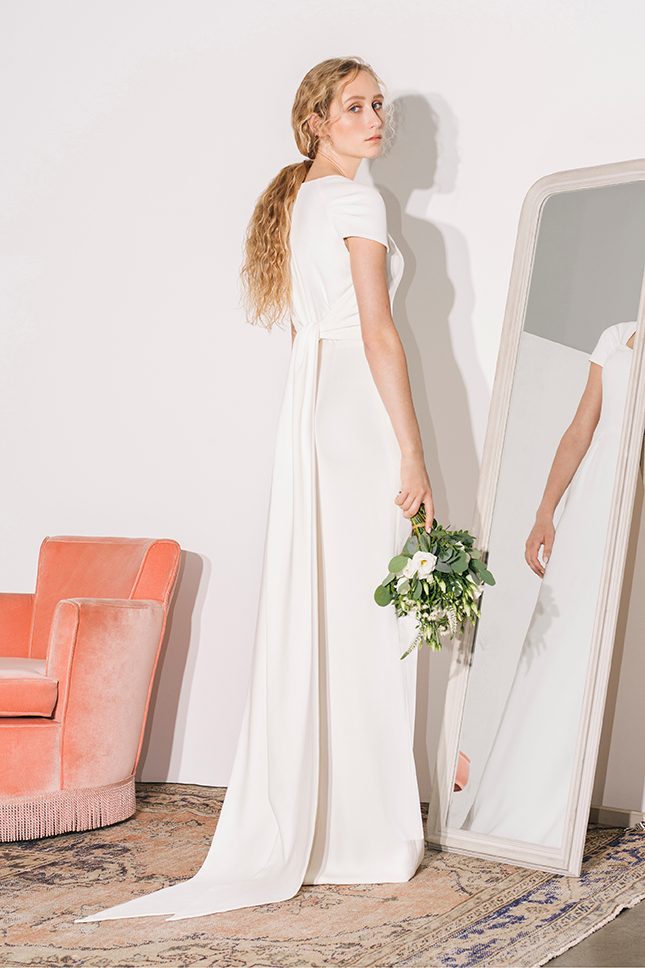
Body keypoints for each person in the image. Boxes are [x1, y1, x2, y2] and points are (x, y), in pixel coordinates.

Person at [76, 56, 435, 923]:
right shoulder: (354, 202)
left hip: (312, 411)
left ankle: (330, 821)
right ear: (316, 120)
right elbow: (378, 332)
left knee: (332, 605)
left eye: (378, 105)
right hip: (358, 411)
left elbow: (308, 335)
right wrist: (413, 453)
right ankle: (361, 830)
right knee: (368, 612)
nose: (374, 119)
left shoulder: (299, 200)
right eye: (355, 106)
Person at [460, 320, 638, 846]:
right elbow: (581, 429)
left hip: (634, 495)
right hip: (592, 499)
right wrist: (545, 511)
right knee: (560, 638)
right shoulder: (617, 335)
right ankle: (523, 801)